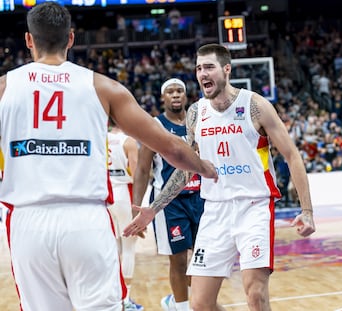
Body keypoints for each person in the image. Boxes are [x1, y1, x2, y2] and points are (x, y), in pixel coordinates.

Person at [0, 3, 217, 311]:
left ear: (29, 40)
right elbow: (169, 147)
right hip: (85, 220)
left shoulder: (5, 87)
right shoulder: (104, 87)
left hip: (27, 222)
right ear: (71, 39)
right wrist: (206, 168)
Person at [124, 43, 316, 311]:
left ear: (227, 69)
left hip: (254, 207)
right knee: (200, 304)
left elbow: (292, 155)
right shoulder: (196, 112)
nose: (202, 73)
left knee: (256, 294)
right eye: (199, 68)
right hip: (214, 210)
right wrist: (153, 209)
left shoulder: (255, 106)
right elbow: (187, 167)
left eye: (209, 67)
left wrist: (306, 210)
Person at [133, 78, 203, 311]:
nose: (175, 95)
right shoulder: (155, 126)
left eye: (179, 91)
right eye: (170, 92)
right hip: (169, 203)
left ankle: (183, 302)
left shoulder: (198, 123)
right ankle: (182, 308)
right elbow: (143, 169)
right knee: (179, 259)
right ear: (162, 97)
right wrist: (136, 207)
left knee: (202, 259)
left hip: (201, 198)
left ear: (186, 96)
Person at [107, 118, 143, 311]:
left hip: (106, 194)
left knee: (113, 248)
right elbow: (137, 174)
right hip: (124, 194)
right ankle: (126, 299)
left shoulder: (101, 137)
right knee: (129, 248)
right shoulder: (128, 141)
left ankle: (113, 296)